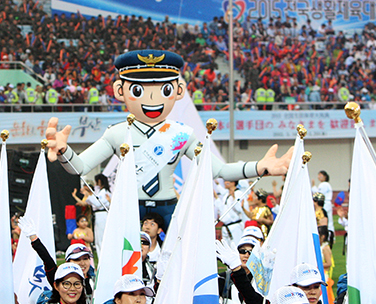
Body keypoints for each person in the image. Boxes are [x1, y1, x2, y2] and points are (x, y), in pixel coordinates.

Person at [45, 49, 293, 225]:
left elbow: (220, 171)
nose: (152, 99)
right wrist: (65, 152)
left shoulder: (182, 134)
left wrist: (261, 167)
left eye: (164, 89)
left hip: (168, 208)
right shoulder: (118, 133)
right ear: (120, 91)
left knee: (176, 267)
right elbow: (80, 168)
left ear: (178, 91)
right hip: (130, 208)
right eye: (139, 90)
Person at [311, 171, 333, 236]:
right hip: (327, 203)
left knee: (323, 219)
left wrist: (313, 186)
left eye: (320, 175)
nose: (319, 177)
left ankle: (326, 235)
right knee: (329, 221)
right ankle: (330, 235)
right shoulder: (325, 184)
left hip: (325, 203)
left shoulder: (324, 184)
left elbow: (320, 194)